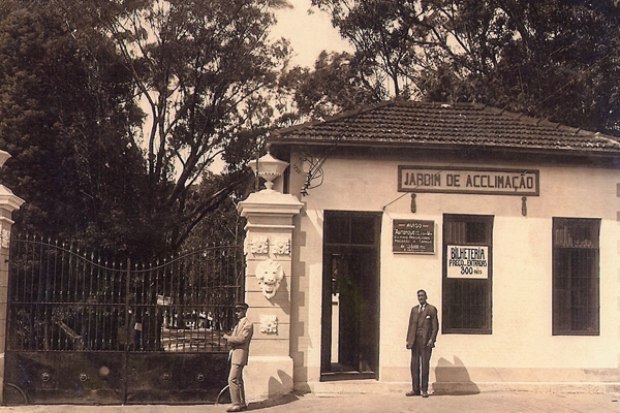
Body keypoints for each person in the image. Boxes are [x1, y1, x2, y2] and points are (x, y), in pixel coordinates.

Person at [405, 289, 438, 398]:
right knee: (414, 365)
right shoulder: (414, 310)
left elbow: (435, 327)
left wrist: (431, 340)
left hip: (426, 342)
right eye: (419, 296)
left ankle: (424, 389)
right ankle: (415, 389)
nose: (420, 298)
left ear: (426, 296)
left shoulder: (431, 310)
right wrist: (409, 340)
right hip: (415, 341)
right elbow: (411, 326)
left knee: (424, 365)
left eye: (422, 296)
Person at [223, 302, 254, 412]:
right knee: (238, 380)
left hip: (240, 355)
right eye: (236, 311)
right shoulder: (238, 324)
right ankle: (242, 403)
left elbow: (242, 339)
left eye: (239, 311)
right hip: (236, 354)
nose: (236, 313)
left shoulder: (248, 324)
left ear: (245, 311)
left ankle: (236, 404)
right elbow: (236, 338)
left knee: (232, 379)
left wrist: (227, 337)